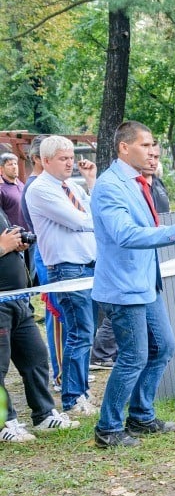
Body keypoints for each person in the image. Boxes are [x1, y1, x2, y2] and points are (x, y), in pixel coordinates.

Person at [90, 120, 175, 448]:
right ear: (124, 147)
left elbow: (145, 228)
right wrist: (174, 232)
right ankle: (108, 428)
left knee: (164, 347)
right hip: (123, 287)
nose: (153, 150)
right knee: (133, 357)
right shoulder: (110, 185)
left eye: (154, 144)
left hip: (145, 282)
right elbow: (124, 234)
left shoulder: (141, 182)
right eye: (145, 144)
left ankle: (140, 415)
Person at [24, 135, 100, 417]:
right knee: (78, 333)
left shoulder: (70, 185)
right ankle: (72, 396)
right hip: (66, 267)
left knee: (85, 331)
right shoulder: (41, 189)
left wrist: (90, 181)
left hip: (88, 264)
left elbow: (91, 209)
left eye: (71, 158)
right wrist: (103, 222)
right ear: (45, 161)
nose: (70, 163)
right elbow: (78, 220)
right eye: (63, 159)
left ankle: (80, 391)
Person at [0, 219, 78, 443]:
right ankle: (4, 423)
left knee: (36, 357)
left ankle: (44, 414)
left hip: (17, 300)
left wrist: (16, 245)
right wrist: (3, 246)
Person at [19, 135, 64, 391]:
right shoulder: (35, 186)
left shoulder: (53, 184)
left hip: (56, 254)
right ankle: (59, 374)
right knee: (56, 315)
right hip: (48, 256)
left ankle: (67, 369)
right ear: (39, 158)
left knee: (66, 317)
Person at [142, 142, 170, 214]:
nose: (153, 162)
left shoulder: (159, 183)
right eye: (149, 157)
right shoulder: (130, 186)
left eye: (156, 157)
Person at [0, 154, 26, 229]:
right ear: (1, 169)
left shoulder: (20, 184)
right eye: (10, 164)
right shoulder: (1, 189)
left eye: (15, 164)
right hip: (14, 236)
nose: (14, 167)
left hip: (29, 234)